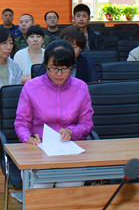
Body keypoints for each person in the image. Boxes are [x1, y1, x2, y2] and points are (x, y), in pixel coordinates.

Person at [13, 40, 93, 195]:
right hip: (39, 150)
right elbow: (21, 123)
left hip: (70, 150)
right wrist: (27, 137)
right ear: (45, 66)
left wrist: (72, 131)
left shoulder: (81, 87)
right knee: (39, 191)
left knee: (70, 191)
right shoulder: (31, 87)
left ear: (72, 66)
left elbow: (87, 123)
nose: (59, 74)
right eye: (54, 68)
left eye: (64, 69)